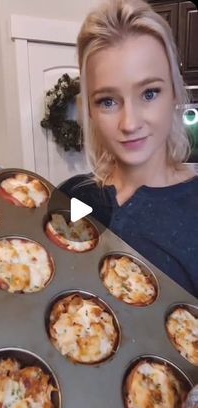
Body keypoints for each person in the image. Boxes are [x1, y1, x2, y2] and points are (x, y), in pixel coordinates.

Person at [59, 0, 198, 297]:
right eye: (108, 101)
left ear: (174, 92)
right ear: (90, 111)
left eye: (149, 93)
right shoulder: (74, 197)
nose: (130, 123)